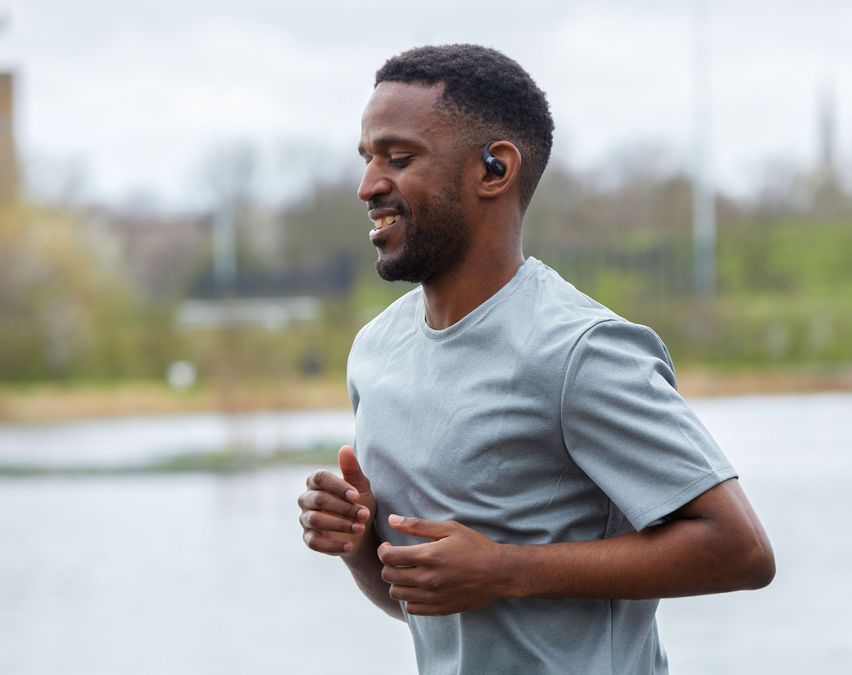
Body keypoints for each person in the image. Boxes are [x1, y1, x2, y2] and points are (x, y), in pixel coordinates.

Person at [298, 44, 774, 674]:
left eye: (399, 157)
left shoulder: (580, 350)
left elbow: (740, 551)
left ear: (495, 170)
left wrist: (505, 569)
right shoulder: (374, 353)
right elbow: (426, 601)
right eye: (366, 159)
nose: (367, 186)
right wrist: (358, 543)